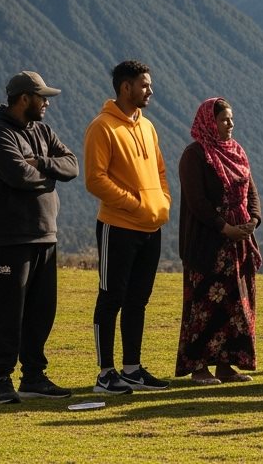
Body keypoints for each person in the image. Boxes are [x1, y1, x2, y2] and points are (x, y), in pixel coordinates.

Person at [0, 71, 79, 404]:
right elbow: (19, 175)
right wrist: (49, 177)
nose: (47, 103)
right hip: (9, 236)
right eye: (42, 97)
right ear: (24, 99)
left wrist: (44, 164)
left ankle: (33, 375)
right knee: (9, 308)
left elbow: (72, 165)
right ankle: (2, 379)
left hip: (44, 234)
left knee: (41, 309)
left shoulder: (42, 130)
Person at [85, 60, 172, 394]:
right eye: (144, 85)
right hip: (117, 226)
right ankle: (106, 373)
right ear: (126, 87)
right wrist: (134, 204)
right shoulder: (102, 127)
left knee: (138, 299)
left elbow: (161, 171)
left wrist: (162, 201)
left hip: (151, 226)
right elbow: (96, 179)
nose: (149, 90)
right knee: (111, 297)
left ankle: (132, 369)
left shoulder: (147, 127)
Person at [175, 97, 261, 384]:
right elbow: (197, 201)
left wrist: (253, 221)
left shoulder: (236, 151)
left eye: (231, 119)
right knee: (204, 306)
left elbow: (251, 191)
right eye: (224, 119)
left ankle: (227, 365)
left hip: (238, 244)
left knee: (236, 305)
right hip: (208, 244)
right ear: (210, 122)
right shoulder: (195, 155)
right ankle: (199, 367)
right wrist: (224, 227)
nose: (230, 124)